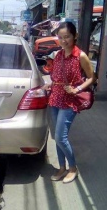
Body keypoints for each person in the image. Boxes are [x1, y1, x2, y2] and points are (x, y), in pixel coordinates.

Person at [42, 21, 95, 183]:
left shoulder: (81, 56)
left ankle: (73, 168)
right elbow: (56, 77)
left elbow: (92, 78)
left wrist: (77, 90)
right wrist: (50, 84)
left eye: (67, 37)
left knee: (60, 136)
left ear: (75, 36)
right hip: (55, 98)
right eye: (60, 37)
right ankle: (62, 167)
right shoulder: (58, 55)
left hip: (70, 101)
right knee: (57, 137)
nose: (64, 40)